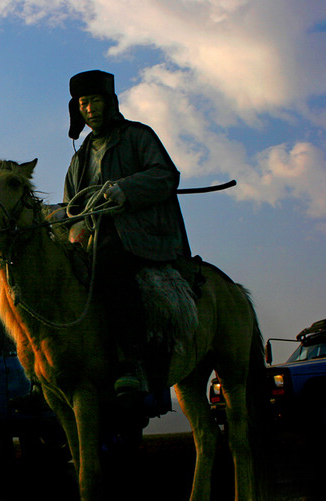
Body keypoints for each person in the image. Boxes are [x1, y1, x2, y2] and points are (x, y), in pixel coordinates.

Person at [63, 70, 191, 397]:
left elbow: (165, 175)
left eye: (94, 101)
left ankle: (130, 360)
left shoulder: (138, 136)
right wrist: (61, 218)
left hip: (141, 233)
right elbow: (71, 206)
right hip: (93, 238)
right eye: (83, 103)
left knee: (109, 261)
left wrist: (126, 189)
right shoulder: (78, 159)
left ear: (109, 102)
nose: (89, 108)